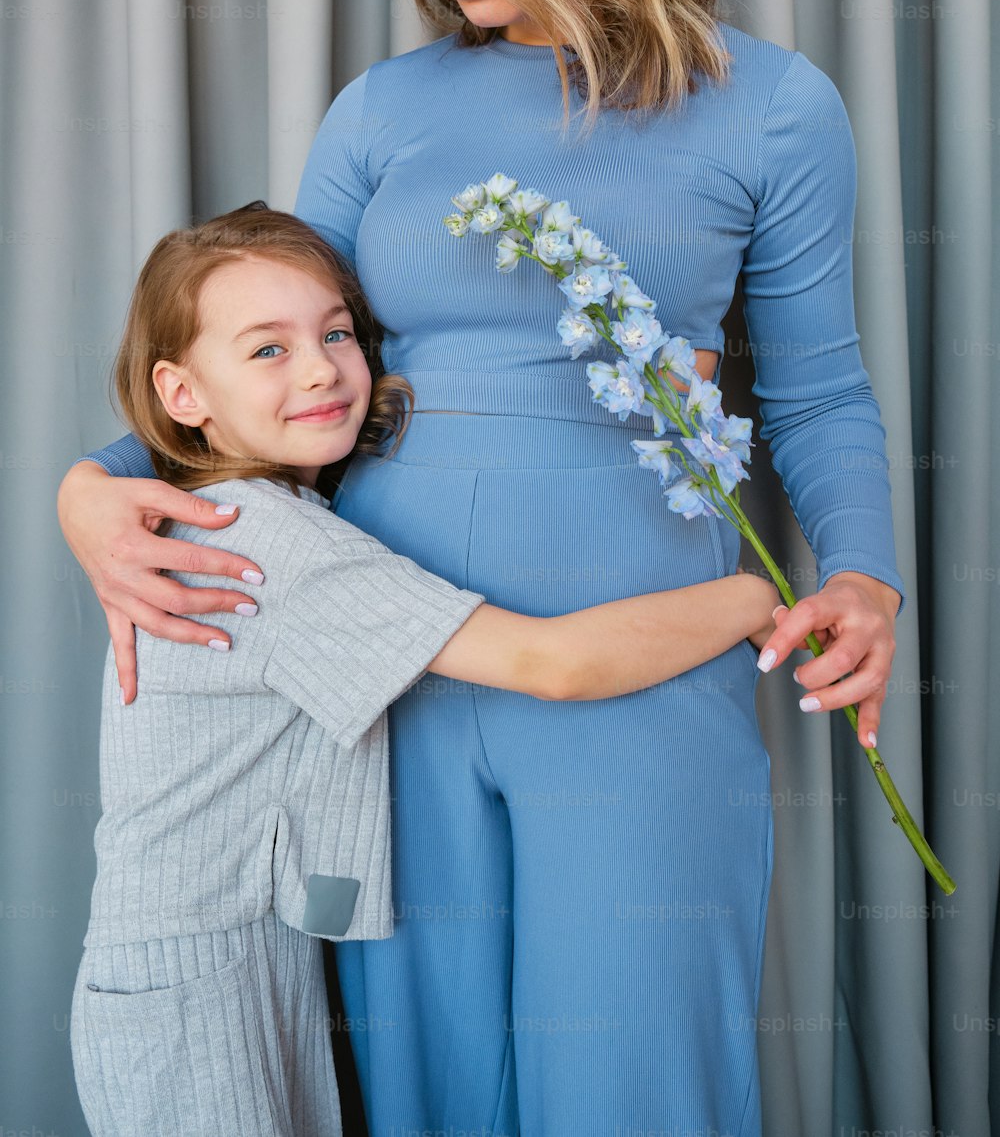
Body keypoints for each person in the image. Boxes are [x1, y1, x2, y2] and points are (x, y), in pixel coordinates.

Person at [58, 0, 904, 1135]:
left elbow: (825, 395)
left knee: (636, 1089)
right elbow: (262, 354)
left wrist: (870, 581)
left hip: (646, 676)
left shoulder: (773, 104)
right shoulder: (382, 112)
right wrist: (93, 482)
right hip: (388, 684)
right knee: (429, 1089)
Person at [69, 201, 778, 1137]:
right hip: (199, 989)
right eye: (267, 350)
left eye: (335, 333)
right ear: (182, 394)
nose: (322, 367)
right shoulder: (264, 541)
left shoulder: (248, 512)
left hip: (225, 962)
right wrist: (762, 598)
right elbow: (550, 662)